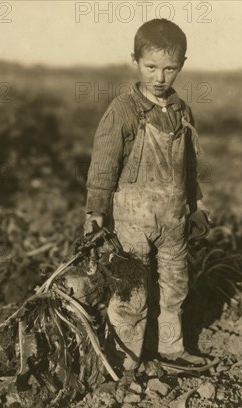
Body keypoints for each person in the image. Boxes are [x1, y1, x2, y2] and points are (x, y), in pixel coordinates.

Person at [83, 18, 210, 371]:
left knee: (174, 287)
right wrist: (95, 210)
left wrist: (195, 208)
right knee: (131, 293)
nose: (159, 77)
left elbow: (188, 168)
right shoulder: (123, 109)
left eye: (170, 69)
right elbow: (104, 164)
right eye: (151, 67)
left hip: (173, 219)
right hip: (132, 222)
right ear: (135, 62)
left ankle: (171, 350)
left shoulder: (183, 112)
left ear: (182, 65)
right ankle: (124, 362)